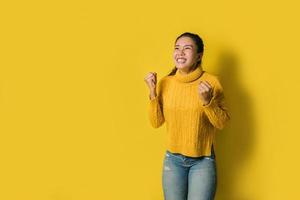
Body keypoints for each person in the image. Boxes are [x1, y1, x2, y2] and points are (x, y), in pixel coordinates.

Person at [144, 32, 230, 200]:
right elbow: (156, 122)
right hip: (173, 161)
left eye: (187, 48)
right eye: (177, 48)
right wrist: (152, 92)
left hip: (202, 161)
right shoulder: (165, 83)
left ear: (199, 56)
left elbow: (222, 123)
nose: (180, 52)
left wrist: (207, 102)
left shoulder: (212, 82)